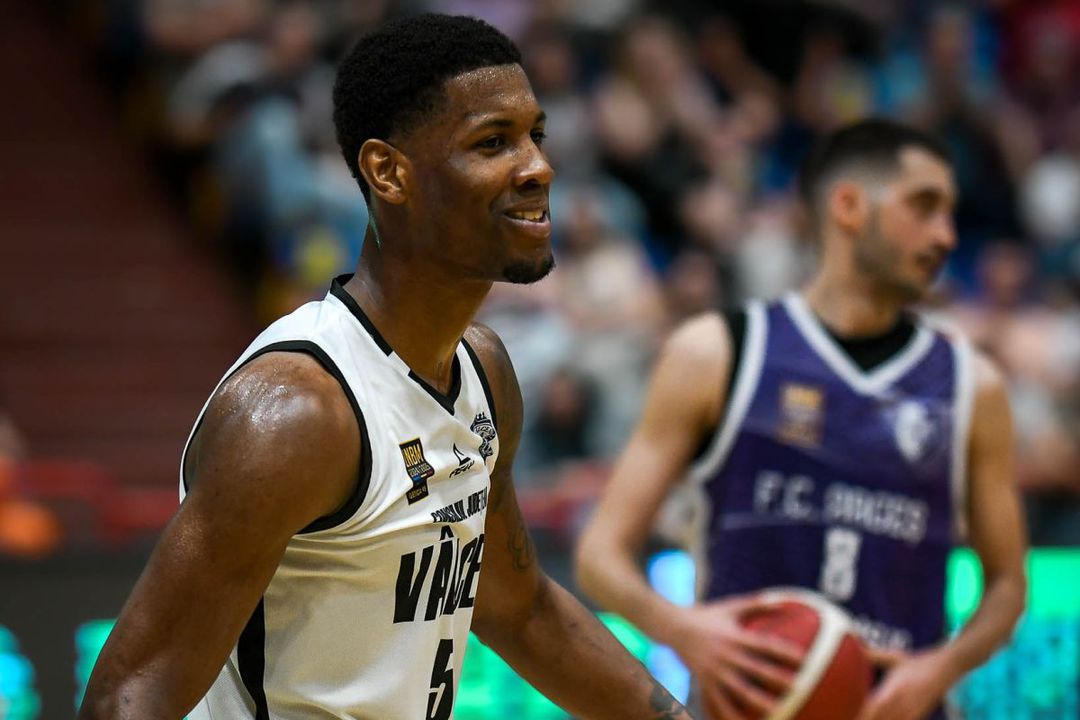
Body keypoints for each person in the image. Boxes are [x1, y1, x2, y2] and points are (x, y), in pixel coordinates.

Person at [79, 14, 691, 720]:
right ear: (388, 172)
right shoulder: (299, 414)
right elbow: (128, 694)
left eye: (536, 136)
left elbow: (520, 611)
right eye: (493, 142)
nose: (538, 168)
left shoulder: (483, 372)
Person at [576, 118, 1028, 720]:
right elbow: (600, 555)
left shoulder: (973, 384)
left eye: (951, 214)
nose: (946, 236)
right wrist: (685, 631)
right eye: (924, 207)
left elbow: (1007, 586)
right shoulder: (717, 353)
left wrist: (939, 669)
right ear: (849, 207)